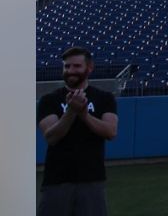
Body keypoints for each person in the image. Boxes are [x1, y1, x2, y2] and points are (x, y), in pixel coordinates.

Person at [37, 47, 118, 215]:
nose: (70, 71)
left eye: (76, 66)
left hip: (92, 180)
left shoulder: (104, 98)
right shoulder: (49, 100)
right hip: (56, 181)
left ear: (89, 68)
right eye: (67, 67)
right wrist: (71, 111)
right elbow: (51, 137)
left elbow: (110, 131)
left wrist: (84, 114)